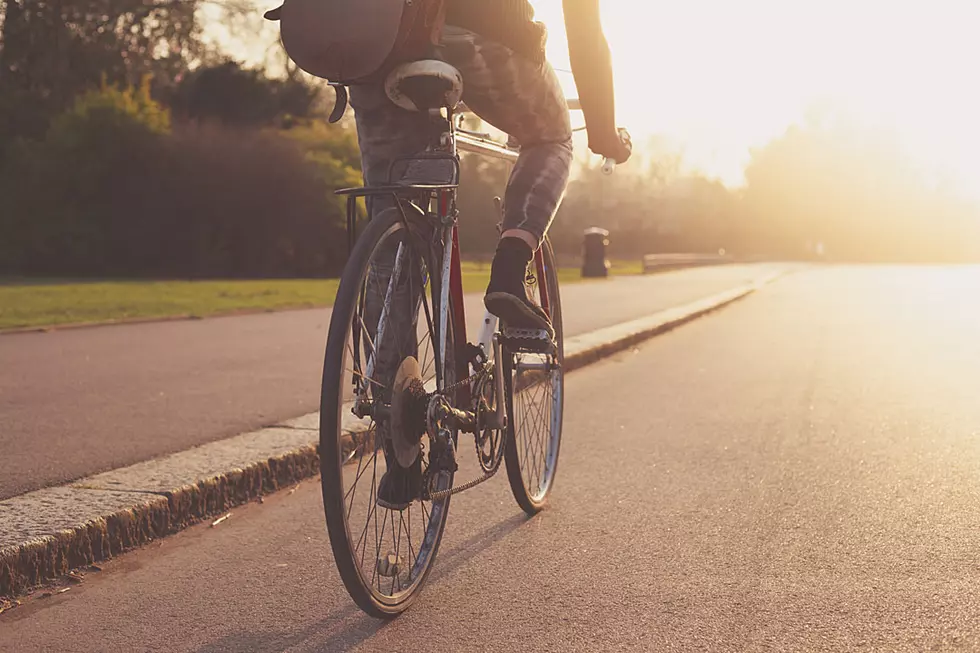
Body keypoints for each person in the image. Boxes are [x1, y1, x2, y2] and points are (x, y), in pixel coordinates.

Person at [350, 0, 632, 342]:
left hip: (372, 44)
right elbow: (585, 29)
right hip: (479, 35)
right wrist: (604, 134)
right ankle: (510, 269)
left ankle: (380, 384)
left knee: (392, 224)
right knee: (551, 137)